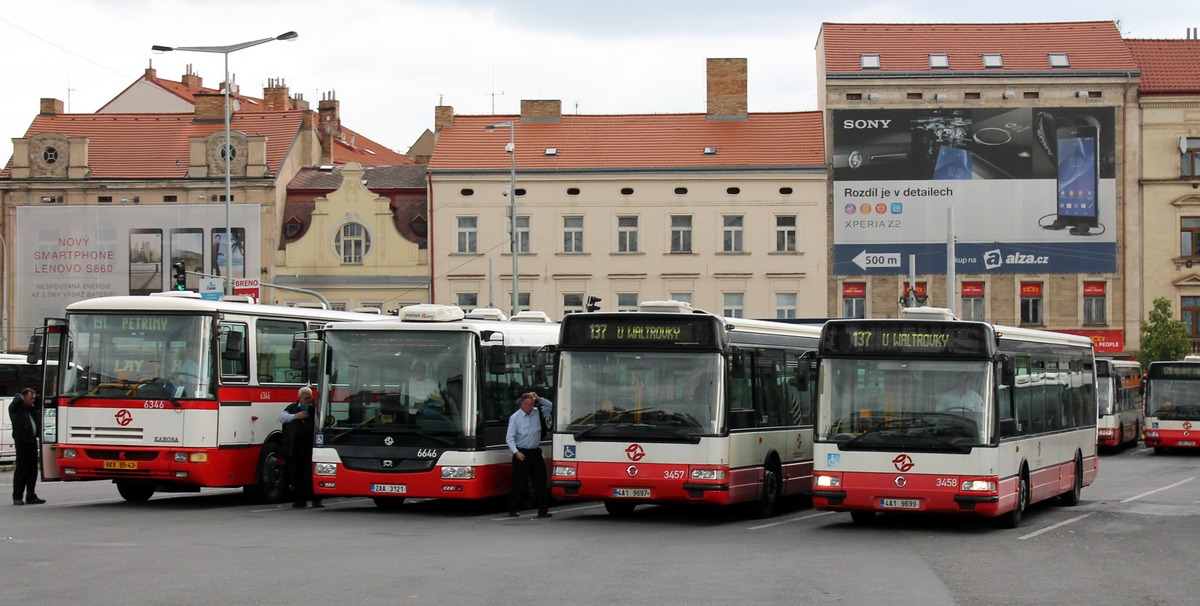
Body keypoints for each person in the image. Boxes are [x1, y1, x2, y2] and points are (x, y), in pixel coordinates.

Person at [505, 392, 553, 518]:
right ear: (522, 404)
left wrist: (538, 398)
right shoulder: (515, 417)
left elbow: (549, 405)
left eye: (533, 405)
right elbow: (509, 437)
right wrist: (516, 452)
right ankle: (513, 509)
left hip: (535, 451)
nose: (532, 407)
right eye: (529, 405)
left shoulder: (537, 412)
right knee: (519, 482)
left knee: (540, 481)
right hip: (522, 452)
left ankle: (543, 510)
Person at [277, 386, 321, 508]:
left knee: (310, 474)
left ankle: (316, 500)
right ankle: (300, 500)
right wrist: (295, 416)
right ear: (299, 398)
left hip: (309, 447)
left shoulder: (315, 409)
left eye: (310, 397)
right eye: (306, 398)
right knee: (295, 474)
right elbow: (281, 417)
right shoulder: (292, 408)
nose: (308, 400)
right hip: (293, 448)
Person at [9, 388, 46, 505]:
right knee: (21, 469)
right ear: (23, 398)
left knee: (32, 469)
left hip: (32, 440)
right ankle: (17, 496)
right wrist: (20, 396)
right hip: (22, 440)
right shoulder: (17, 409)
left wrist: (35, 396)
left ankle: (31, 495)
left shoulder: (32, 409)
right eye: (30, 397)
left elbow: (40, 402)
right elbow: (15, 402)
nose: (33, 400)